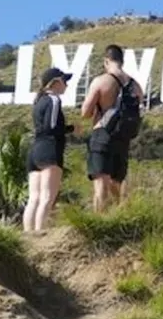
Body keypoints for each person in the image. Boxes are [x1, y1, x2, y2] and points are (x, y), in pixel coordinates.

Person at [82, 45, 143, 212]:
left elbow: (85, 112)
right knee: (117, 184)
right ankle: (119, 218)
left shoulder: (101, 81)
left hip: (103, 134)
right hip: (123, 138)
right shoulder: (136, 86)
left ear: (106, 61)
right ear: (122, 61)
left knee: (101, 184)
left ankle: (99, 223)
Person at [23, 67, 74, 232]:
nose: (66, 85)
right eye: (64, 81)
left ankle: (28, 234)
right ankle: (40, 233)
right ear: (56, 82)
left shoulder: (38, 101)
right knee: (47, 198)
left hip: (35, 150)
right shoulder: (53, 100)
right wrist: (70, 129)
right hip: (49, 149)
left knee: (34, 198)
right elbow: (51, 126)